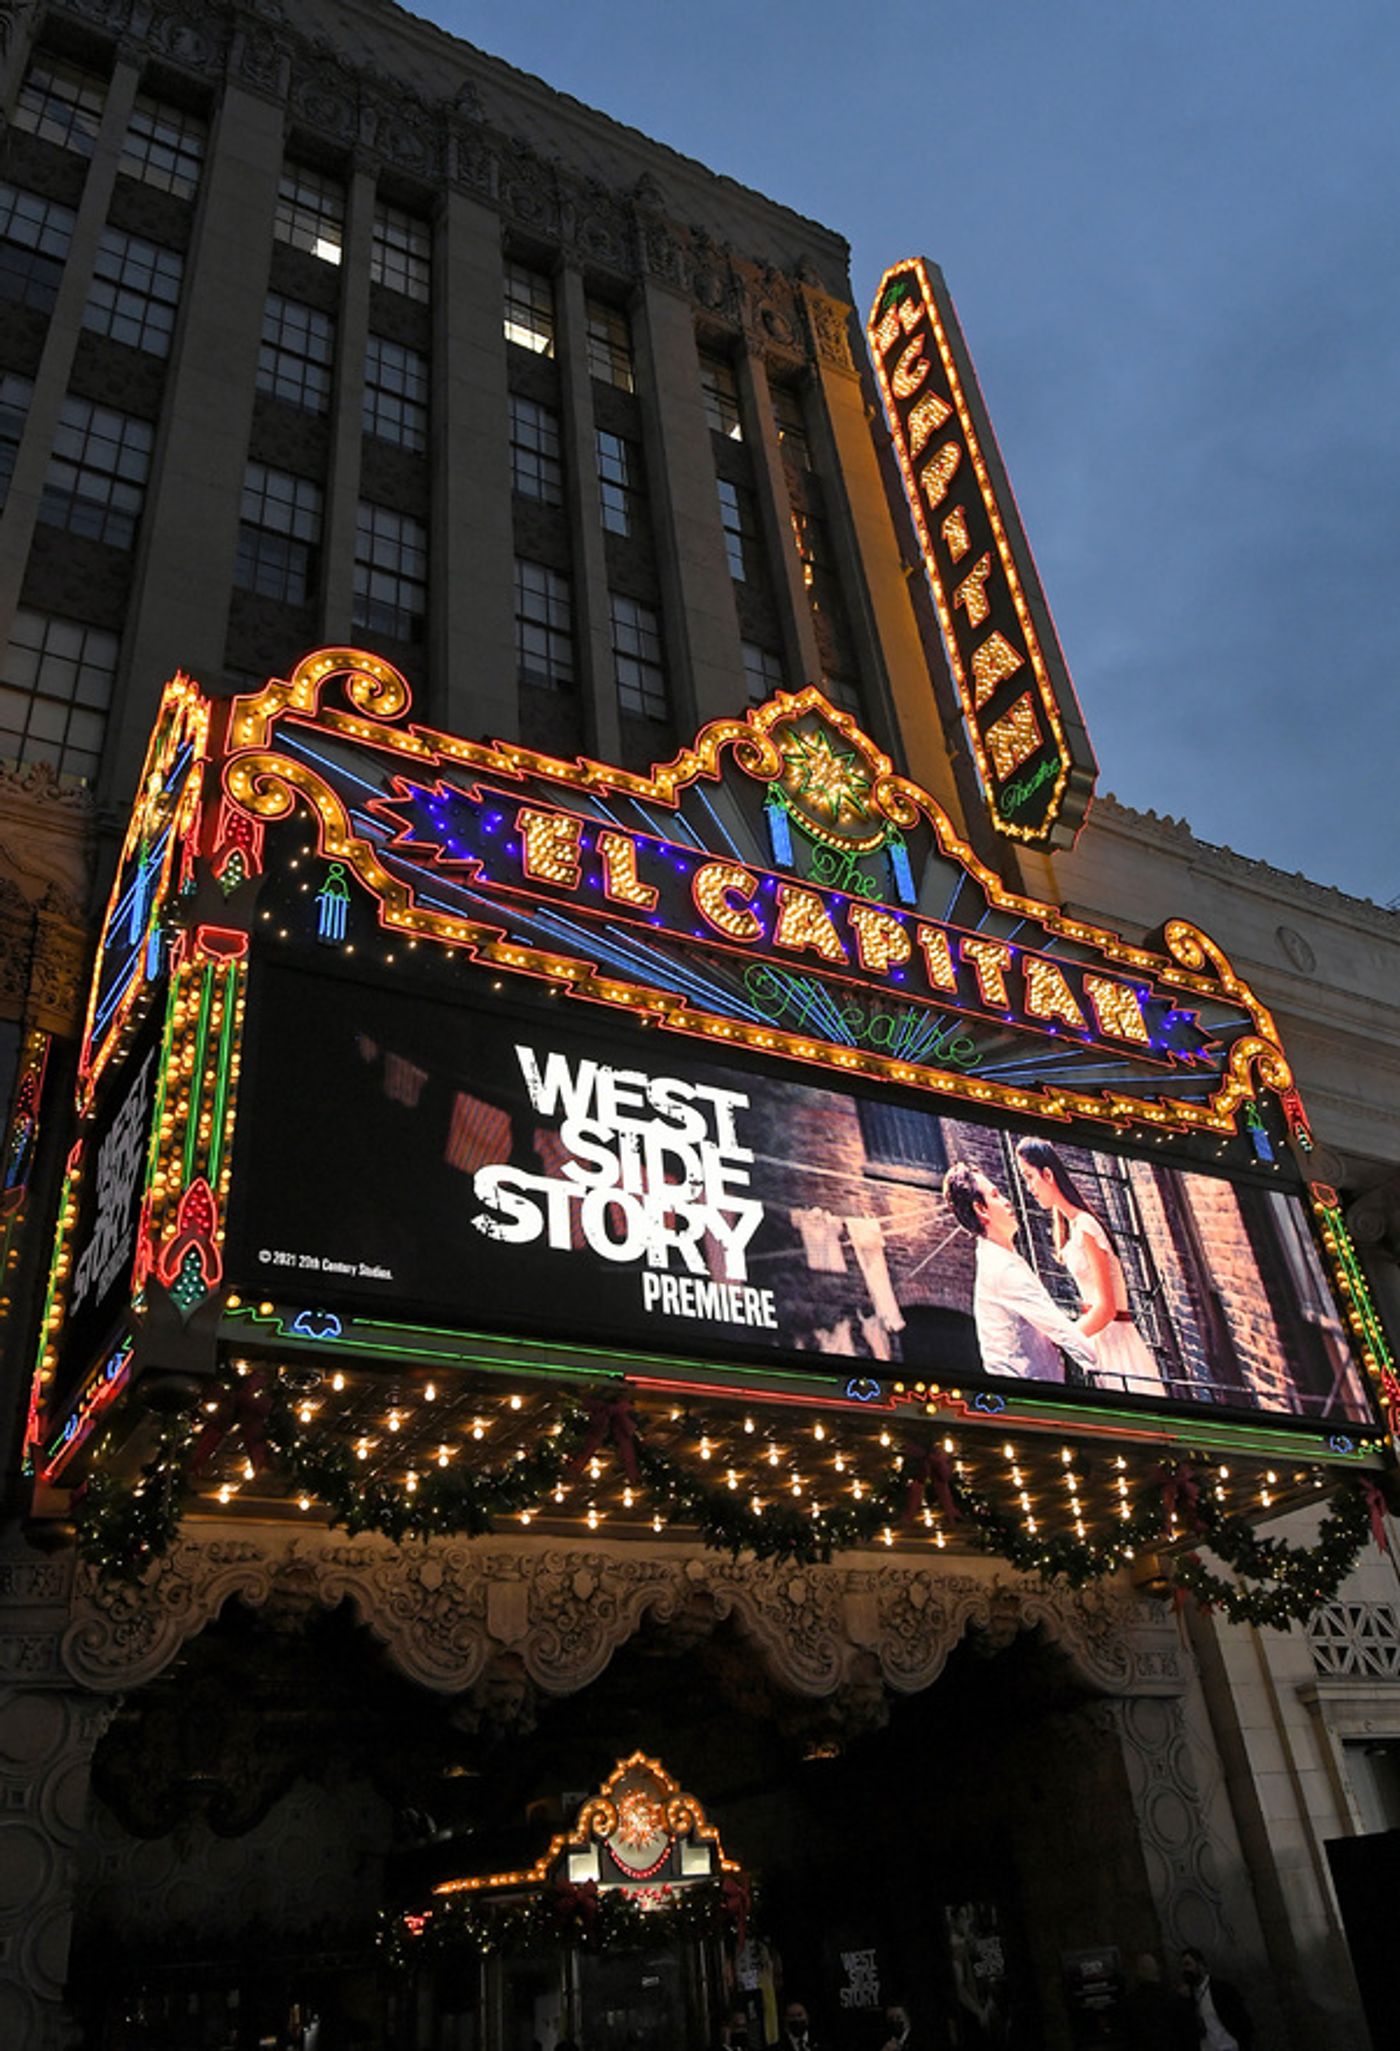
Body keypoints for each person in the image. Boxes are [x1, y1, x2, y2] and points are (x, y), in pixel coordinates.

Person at [1014, 1139, 1165, 1397]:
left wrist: (1064, 1338)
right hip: (1102, 1343)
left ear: (1047, 1174)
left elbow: (1106, 1308)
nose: (1029, 1188)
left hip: (1118, 1344)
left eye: (1030, 1177)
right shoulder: (1070, 1228)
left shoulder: (1086, 1226)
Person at [942, 1162, 1098, 1383]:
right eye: (996, 1195)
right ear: (981, 1209)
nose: (1007, 1202)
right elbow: (1061, 1330)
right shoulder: (1002, 1269)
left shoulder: (998, 1257)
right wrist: (1102, 1361)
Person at [1179, 1949, 1254, 2051]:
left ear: (1200, 1965)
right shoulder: (1188, 1998)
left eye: (1188, 1964)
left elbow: (1243, 2023)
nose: (1185, 1970)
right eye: (1183, 1966)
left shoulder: (1223, 1990)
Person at [1120, 1953, 1196, 2050]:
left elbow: (1127, 2035)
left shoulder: (1130, 2002)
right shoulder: (1173, 1997)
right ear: (1157, 1969)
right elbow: (1187, 2032)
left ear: (1138, 1972)